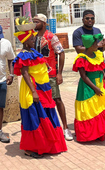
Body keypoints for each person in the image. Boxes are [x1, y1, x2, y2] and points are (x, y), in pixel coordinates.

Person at [12, 23, 67, 158]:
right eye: (31, 39)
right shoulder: (23, 55)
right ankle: (30, 148)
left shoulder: (34, 52)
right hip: (33, 90)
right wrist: (34, 92)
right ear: (25, 42)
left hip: (43, 89)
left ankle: (46, 145)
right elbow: (25, 74)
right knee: (34, 118)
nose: (34, 41)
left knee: (45, 116)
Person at [32, 14, 73, 141]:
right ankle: (48, 129)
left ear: (44, 23)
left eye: (36, 22)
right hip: (37, 75)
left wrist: (59, 73)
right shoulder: (33, 38)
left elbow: (61, 53)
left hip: (50, 74)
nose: (34, 24)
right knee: (41, 102)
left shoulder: (51, 37)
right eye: (33, 22)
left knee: (57, 99)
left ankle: (65, 128)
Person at [72, 9, 105, 78]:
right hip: (88, 65)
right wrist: (96, 46)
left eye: (92, 18)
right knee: (91, 86)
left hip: (100, 63)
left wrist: (104, 45)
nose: (90, 20)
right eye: (87, 18)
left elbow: (101, 49)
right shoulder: (78, 32)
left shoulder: (97, 31)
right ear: (83, 20)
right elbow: (78, 50)